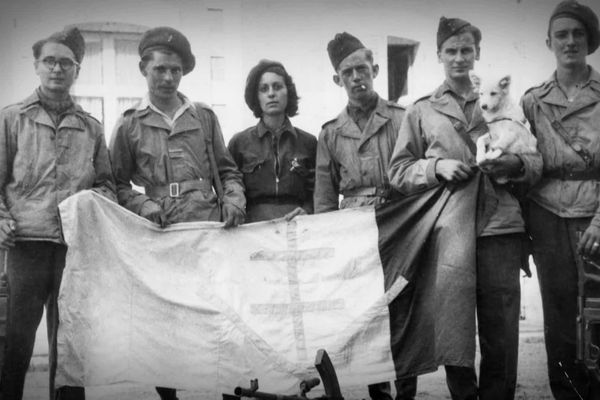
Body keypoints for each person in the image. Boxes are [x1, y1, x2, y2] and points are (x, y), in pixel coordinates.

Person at [388, 17, 542, 400]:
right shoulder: (421, 110)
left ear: (477, 53)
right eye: (451, 51)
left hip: (500, 224)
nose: (459, 58)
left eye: (466, 50)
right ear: (439, 55)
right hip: (449, 227)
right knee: (454, 329)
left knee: (501, 327)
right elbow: (398, 171)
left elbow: (535, 159)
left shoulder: (504, 101)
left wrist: (514, 166)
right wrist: (435, 167)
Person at [109, 26, 245, 400]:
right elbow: (115, 184)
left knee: (218, 316)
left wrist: (233, 201)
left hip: (208, 226)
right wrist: (144, 205)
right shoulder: (129, 124)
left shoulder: (202, 117)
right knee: (166, 322)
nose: (168, 77)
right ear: (143, 69)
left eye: (175, 70)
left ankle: (227, 392)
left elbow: (228, 170)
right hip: (161, 234)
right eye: (160, 70)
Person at [0, 27, 116, 400]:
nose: (57, 69)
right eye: (49, 61)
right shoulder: (12, 119)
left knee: (69, 348)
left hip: (73, 249)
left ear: (76, 71)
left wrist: (89, 209)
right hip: (25, 244)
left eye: (66, 63)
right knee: (15, 343)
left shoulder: (90, 127)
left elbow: (107, 186)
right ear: (36, 65)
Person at [314, 32, 415, 400]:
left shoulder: (403, 118)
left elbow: (415, 176)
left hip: (399, 222)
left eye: (362, 69)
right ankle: (379, 392)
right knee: (367, 313)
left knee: (402, 309)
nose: (357, 78)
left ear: (374, 70)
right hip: (353, 232)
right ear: (337, 79)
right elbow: (324, 199)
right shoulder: (330, 133)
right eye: (348, 72)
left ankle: (406, 391)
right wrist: (327, 245)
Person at [520, 1, 600, 398]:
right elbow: (525, 167)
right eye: (562, 35)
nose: (570, 42)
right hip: (547, 217)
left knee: (598, 315)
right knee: (558, 316)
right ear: (549, 41)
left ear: (590, 40)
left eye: (578, 34)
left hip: (595, 215)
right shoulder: (533, 101)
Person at [228, 59, 316, 223]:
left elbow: (318, 190)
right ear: (256, 97)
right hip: (253, 231)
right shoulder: (239, 143)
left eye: (277, 87)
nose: (271, 94)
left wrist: (308, 211)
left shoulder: (308, 143)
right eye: (263, 89)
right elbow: (229, 187)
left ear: (288, 92)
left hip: (298, 229)